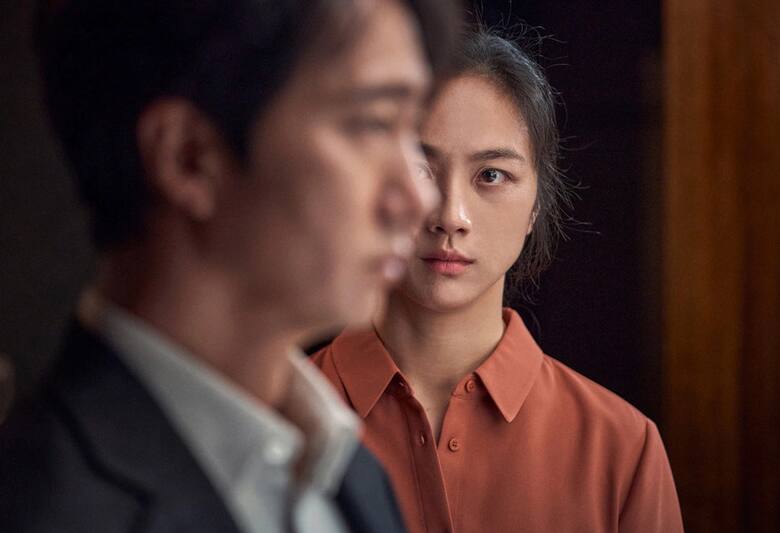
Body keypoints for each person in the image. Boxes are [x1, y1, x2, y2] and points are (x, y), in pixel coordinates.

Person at [0, 1, 459, 532]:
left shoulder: (353, 475)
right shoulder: (42, 508)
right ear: (189, 158)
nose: (420, 198)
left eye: (411, 132)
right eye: (372, 125)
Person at [314, 28, 684, 533]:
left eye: (491, 175)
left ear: (536, 205)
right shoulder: (273, 420)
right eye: (420, 168)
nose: (451, 216)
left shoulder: (622, 447)